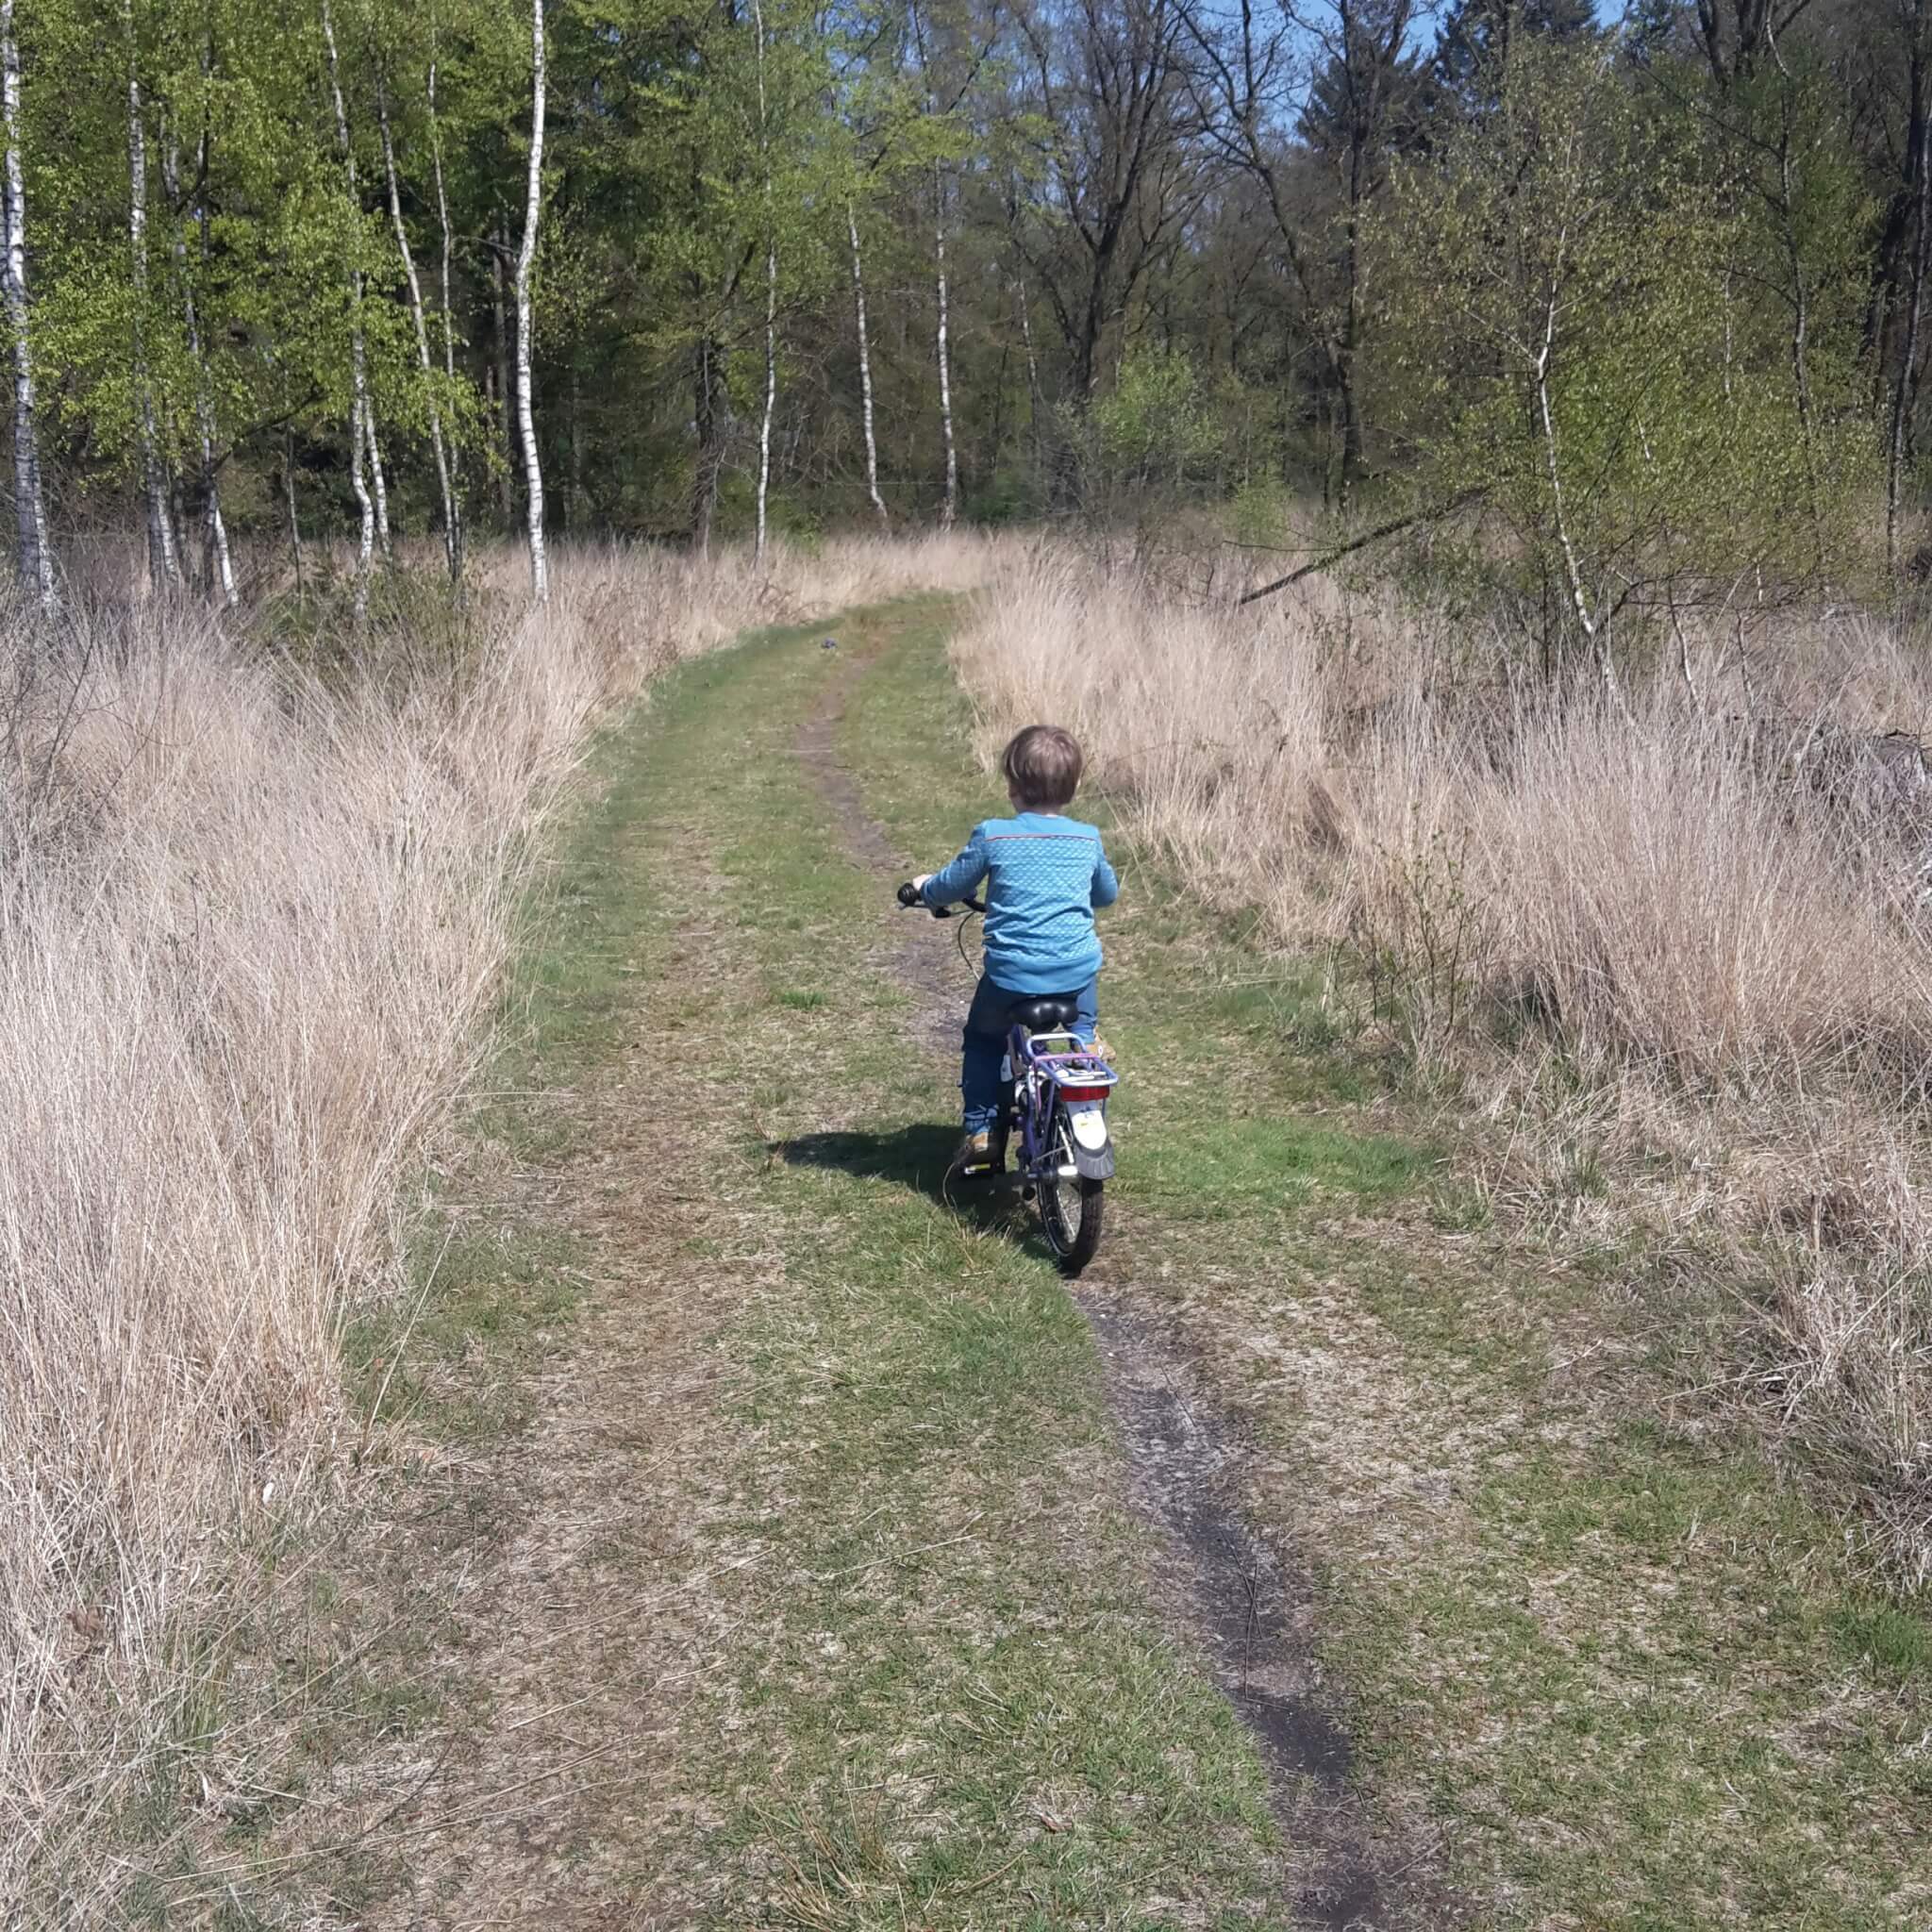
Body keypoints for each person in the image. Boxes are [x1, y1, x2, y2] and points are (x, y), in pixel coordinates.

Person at [913, 724, 1119, 1171]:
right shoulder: (1087, 838)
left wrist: (924, 889)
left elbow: (951, 886)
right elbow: (1106, 894)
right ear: (1073, 786)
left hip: (1011, 975)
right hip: (1075, 972)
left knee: (983, 1040)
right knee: (1081, 1030)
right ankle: (1084, 1067)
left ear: (1012, 784)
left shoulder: (994, 835)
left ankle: (983, 1131)